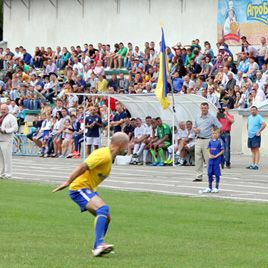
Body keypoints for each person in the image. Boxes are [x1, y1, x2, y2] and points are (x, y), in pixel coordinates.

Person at [52, 132, 129, 257]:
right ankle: (99, 244)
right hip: (79, 188)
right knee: (103, 208)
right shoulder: (103, 155)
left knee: (106, 218)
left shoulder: (108, 157)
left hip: (88, 189)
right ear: (120, 144)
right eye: (127, 144)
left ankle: (97, 248)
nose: (128, 147)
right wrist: (68, 181)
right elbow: (83, 166)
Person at [193, 102, 222, 182]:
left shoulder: (212, 117)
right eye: (202, 108)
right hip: (198, 139)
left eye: (205, 108)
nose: (203, 109)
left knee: (208, 159)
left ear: (208, 108)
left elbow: (219, 126)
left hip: (207, 140)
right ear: (200, 108)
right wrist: (195, 130)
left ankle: (211, 175)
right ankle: (198, 176)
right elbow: (194, 127)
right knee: (198, 159)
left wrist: (215, 135)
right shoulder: (197, 117)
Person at [0, 103, 18, 179]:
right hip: (0, 139)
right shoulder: (1, 117)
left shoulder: (11, 117)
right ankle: (2, 173)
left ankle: (8, 174)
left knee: (7, 158)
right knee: (1, 158)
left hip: (7, 139)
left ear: (7, 110)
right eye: (1, 109)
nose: (3, 111)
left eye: (4, 109)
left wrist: (5, 131)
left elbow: (15, 128)